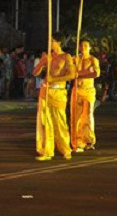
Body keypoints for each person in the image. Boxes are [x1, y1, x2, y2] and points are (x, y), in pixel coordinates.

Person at [33, 32, 75, 161]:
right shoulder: (48, 57)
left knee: (59, 122)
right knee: (45, 122)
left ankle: (65, 149)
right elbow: (35, 73)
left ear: (58, 42)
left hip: (58, 92)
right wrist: (43, 61)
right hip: (45, 92)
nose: (50, 43)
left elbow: (72, 75)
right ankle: (47, 150)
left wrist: (55, 78)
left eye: (52, 41)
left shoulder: (66, 57)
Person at [70, 39, 100, 152]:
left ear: (90, 47)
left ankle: (89, 141)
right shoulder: (75, 59)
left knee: (87, 116)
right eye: (81, 45)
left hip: (88, 91)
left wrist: (79, 74)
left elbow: (96, 73)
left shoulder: (93, 60)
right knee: (75, 117)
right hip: (77, 90)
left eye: (86, 45)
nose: (83, 47)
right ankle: (77, 142)